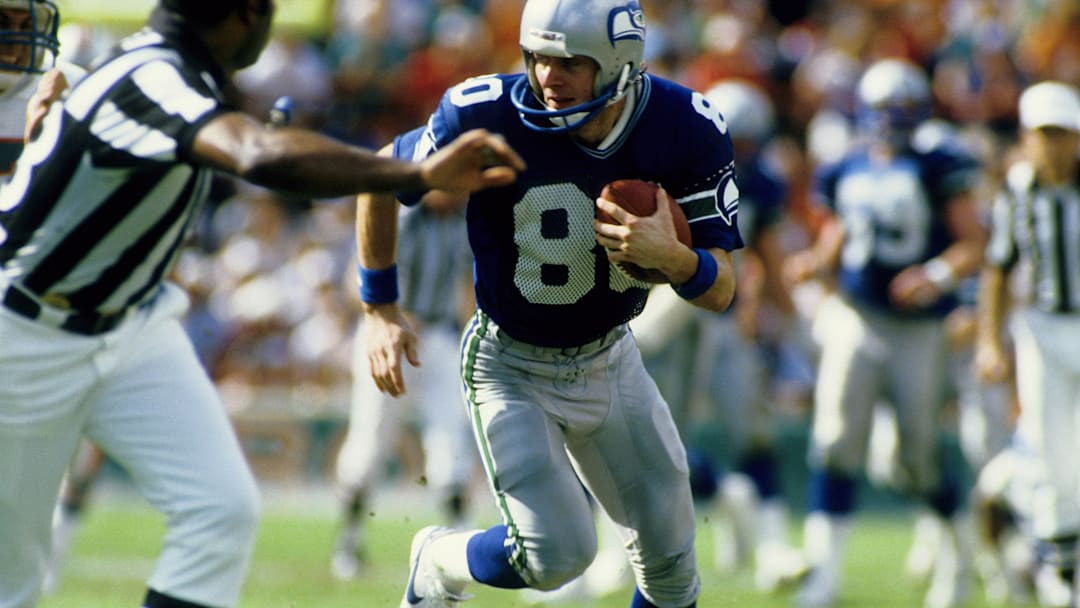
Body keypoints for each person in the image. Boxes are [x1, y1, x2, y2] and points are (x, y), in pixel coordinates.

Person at [0, 0, 525, 607]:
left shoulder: (167, 73)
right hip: (30, 330)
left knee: (219, 510)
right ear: (245, 12)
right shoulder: (153, 75)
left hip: (133, 323)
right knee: (13, 582)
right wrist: (417, 174)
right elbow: (254, 153)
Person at [355, 1, 742, 607]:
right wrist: (380, 307)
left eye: (570, 63)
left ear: (620, 64)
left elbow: (721, 289)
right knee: (554, 556)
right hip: (509, 363)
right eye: (537, 57)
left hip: (611, 359)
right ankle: (437, 561)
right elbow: (380, 175)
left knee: (672, 568)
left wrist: (673, 259)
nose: (547, 77)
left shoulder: (682, 125)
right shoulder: (485, 115)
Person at [782, 57, 987, 608]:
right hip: (859, 314)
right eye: (883, 108)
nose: (892, 119)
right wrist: (815, 262)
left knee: (917, 457)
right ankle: (824, 576)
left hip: (919, 328)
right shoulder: (846, 166)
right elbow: (841, 233)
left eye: (902, 108)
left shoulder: (939, 165)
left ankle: (958, 549)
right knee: (834, 440)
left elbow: (974, 241)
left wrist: (935, 274)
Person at [330, 183, 479, 581]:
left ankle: (459, 540)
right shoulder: (402, 216)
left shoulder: (465, 220)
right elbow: (354, 278)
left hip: (440, 336)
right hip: (391, 334)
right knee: (371, 438)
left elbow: (467, 287)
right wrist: (387, 316)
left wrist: (470, 334)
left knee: (452, 436)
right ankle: (349, 539)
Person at [974, 80, 1080, 608]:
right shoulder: (1017, 189)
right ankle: (1062, 575)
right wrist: (989, 341)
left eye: (1061, 134)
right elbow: (998, 268)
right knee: (1052, 451)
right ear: (1026, 137)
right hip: (1041, 328)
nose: (1052, 146)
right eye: (1043, 134)